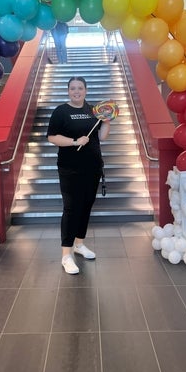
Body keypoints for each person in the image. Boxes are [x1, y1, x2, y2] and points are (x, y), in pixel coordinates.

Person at [47, 77, 111, 274]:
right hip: (69, 168)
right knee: (71, 208)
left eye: (80, 88)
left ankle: (79, 244)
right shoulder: (61, 111)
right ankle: (66, 255)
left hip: (92, 167)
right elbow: (52, 137)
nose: (77, 91)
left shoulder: (93, 111)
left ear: (86, 90)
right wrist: (75, 141)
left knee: (85, 207)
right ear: (68, 91)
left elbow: (101, 136)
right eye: (73, 88)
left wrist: (107, 123)